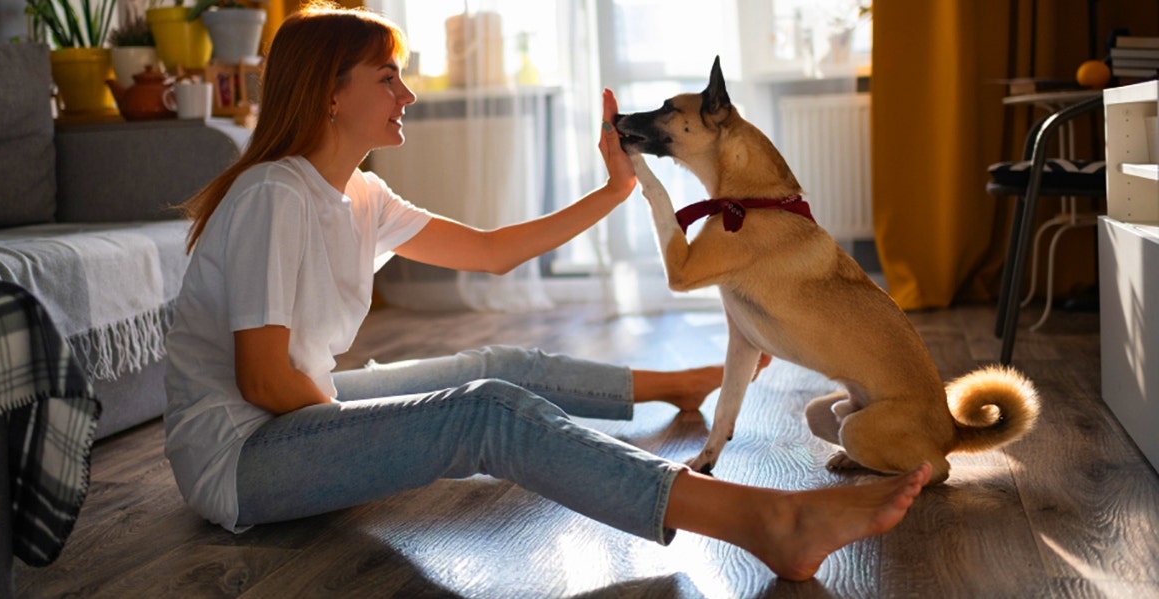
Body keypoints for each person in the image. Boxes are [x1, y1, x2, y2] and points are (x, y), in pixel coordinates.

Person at [163, 1, 931, 583]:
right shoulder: (273, 194)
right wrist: (369, 434)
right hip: (245, 457)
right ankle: (764, 518)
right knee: (486, 410)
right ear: (329, 96)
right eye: (387, 76)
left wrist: (615, 187)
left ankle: (679, 385)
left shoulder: (359, 195)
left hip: (300, 413)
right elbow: (261, 378)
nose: (409, 93)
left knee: (500, 364)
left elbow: (494, 254)